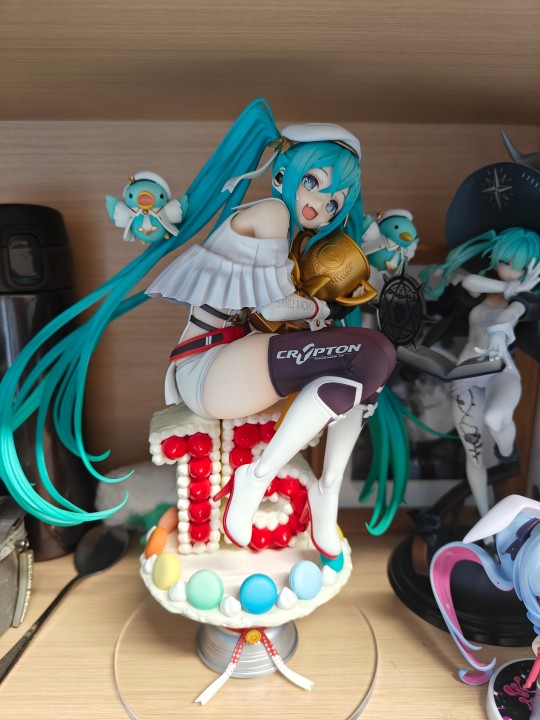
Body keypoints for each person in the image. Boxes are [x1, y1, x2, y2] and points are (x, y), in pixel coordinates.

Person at [0, 99, 397, 557]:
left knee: (374, 362)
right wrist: (316, 308)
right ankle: (257, 478)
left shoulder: (291, 236)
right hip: (209, 363)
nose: (319, 205)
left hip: (235, 361)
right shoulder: (272, 213)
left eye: (333, 202)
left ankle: (327, 489)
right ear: (282, 175)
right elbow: (273, 304)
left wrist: (318, 313)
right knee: (368, 355)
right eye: (312, 182)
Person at [421, 227, 540, 516]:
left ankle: (507, 451)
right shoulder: (481, 289)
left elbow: (510, 316)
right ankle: (485, 519)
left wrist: (500, 332)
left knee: (495, 417)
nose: (511, 271)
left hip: (502, 369)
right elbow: (469, 280)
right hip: (466, 375)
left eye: (521, 266)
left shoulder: (523, 301)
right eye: (506, 262)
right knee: (473, 455)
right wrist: (510, 288)